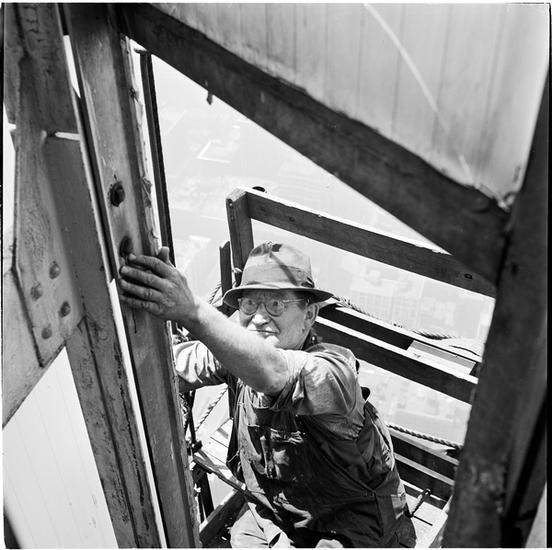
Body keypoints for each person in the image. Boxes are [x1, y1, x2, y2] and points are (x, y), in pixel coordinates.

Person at [119, 241, 416, 548]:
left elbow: (274, 372)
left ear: (309, 314)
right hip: (279, 512)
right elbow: (178, 365)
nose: (259, 318)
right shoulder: (239, 355)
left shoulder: (334, 373)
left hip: (351, 526)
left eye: (276, 305)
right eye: (249, 305)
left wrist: (192, 311)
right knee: (243, 538)